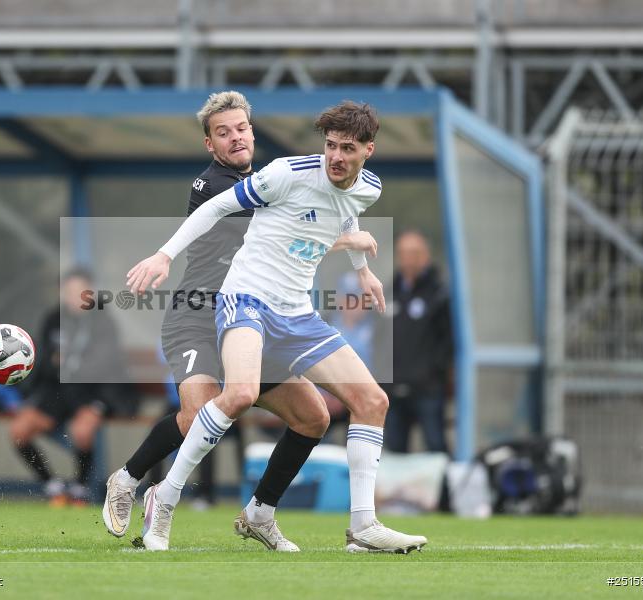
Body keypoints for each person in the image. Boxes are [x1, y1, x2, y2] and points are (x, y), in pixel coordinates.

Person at [128, 100, 428, 553]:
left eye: (347, 148)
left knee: (371, 401)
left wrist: (362, 269)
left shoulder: (369, 187)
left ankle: (359, 527)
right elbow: (215, 209)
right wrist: (164, 255)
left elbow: (343, 211)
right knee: (241, 393)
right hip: (245, 298)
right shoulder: (285, 173)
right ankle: (164, 498)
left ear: (369, 150)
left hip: (296, 313)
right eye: (330, 146)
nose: (336, 157)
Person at [10, 267, 131, 505]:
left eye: (81, 291)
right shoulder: (52, 319)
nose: (75, 296)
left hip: (90, 392)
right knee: (18, 431)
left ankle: (80, 488)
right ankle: (52, 485)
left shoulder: (103, 321)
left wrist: (70, 363)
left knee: (82, 432)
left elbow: (104, 364)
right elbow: (42, 359)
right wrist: (56, 363)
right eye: (70, 291)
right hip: (55, 392)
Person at [384, 230, 453, 454]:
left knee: (435, 445)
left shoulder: (439, 294)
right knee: (394, 450)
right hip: (393, 389)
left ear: (426, 256)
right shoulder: (389, 291)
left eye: (414, 252)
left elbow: (448, 340)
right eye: (403, 253)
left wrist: (432, 371)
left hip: (427, 389)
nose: (408, 258)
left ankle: (444, 491)